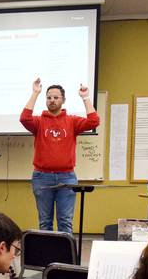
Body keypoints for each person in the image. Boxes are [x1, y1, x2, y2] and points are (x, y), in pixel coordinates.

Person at [20, 79, 100, 233]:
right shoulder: (39, 121)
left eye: (56, 97)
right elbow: (24, 118)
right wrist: (35, 92)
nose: (52, 100)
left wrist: (85, 97)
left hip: (67, 177)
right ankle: (47, 257)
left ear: (63, 100)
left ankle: (65, 257)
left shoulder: (72, 121)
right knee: (45, 223)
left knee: (65, 222)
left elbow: (94, 121)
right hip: (42, 177)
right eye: (49, 97)